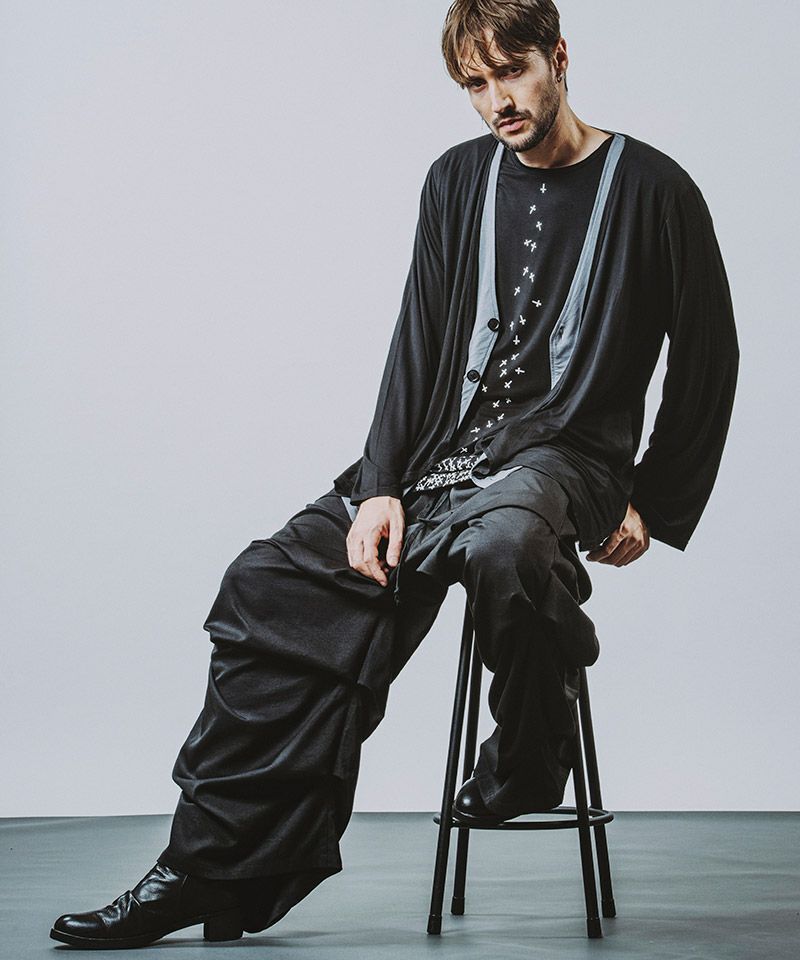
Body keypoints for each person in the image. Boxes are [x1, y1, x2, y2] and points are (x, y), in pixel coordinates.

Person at [49, 0, 739, 949]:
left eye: (511, 72)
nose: (496, 101)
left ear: (558, 56)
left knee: (508, 542)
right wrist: (379, 483)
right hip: (437, 460)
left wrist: (651, 501)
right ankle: (206, 868)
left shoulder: (657, 189)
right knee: (266, 583)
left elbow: (709, 354)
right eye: (475, 84)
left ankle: (531, 755)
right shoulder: (456, 179)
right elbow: (418, 337)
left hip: (567, 457)